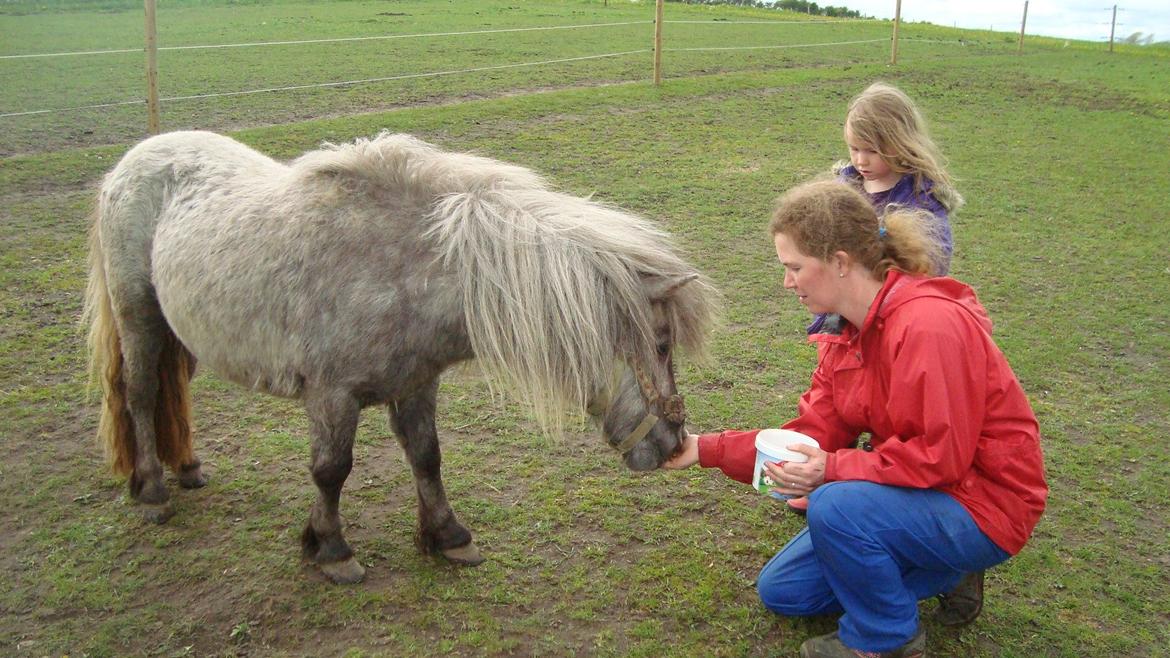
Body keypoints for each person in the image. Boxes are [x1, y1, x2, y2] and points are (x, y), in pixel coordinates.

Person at [665, 180, 1047, 658]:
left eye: (795, 268)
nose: (787, 283)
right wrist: (704, 448)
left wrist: (832, 469)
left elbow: (941, 458)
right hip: (921, 491)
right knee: (785, 591)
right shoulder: (845, 334)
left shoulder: (929, 326)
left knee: (837, 507)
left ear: (841, 262)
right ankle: (944, 569)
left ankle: (887, 638)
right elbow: (814, 433)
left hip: (982, 503)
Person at [792, 81, 967, 516]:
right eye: (854, 148)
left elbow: (930, 264)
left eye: (871, 150)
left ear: (899, 142)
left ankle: (880, 478)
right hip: (841, 321)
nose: (860, 160)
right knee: (834, 397)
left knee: (891, 403)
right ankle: (819, 473)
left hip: (892, 324)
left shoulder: (921, 200)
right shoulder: (845, 187)